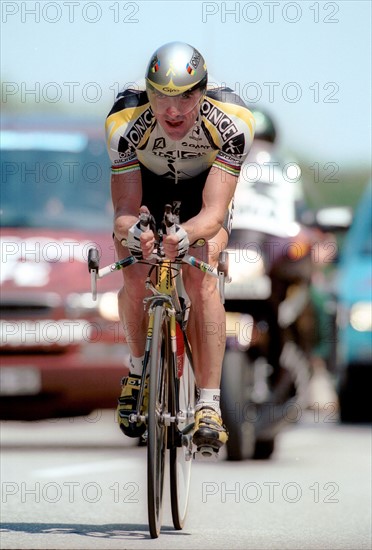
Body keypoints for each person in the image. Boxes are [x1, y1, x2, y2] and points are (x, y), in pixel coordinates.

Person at [105, 41, 255, 453]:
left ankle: (208, 405)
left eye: (186, 96)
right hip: (146, 192)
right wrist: (134, 232)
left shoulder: (233, 119)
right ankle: (138, 370)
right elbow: (122, 210)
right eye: (160, 96)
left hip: (201, 194)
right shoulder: (124, 119)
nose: (172, 110)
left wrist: (188, 236)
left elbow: (214, 212)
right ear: (147, 91)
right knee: (134, 272)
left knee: (201, 274)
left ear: (203, 91)